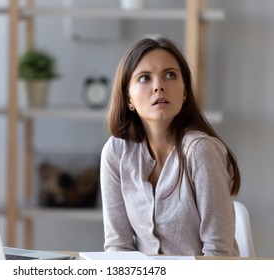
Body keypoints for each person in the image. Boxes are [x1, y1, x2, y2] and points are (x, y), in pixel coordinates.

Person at [100, 35, 241, 256]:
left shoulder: (200, 151)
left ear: (184, 92)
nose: (159, 87)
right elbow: (118, 247)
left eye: (170, 75)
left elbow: (218, 253)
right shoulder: (116, 153)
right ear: (129, 99)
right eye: (145, 78)